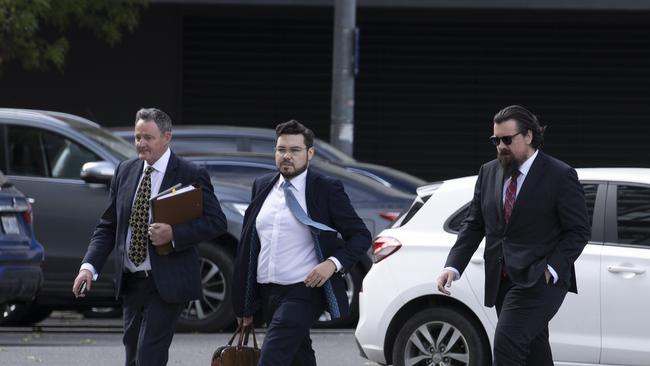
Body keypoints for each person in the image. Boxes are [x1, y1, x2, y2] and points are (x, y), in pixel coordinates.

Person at [436, 105, 590, 366]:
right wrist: (453, 265)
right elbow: (474, 224)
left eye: (507, 139)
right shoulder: (488, 172)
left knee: (507, 343)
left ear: (528, 136)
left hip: (540, 279)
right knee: (533, 352)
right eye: (496, 140)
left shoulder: (559, 174)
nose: (500, 146)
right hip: (502, 279)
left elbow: (578, 231)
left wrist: (552, 268)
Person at [72, 108, 227, 366]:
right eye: (137, 137)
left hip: (166, 281)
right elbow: (108, 226)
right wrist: (88, 267)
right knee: (132, 356)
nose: (141, 144)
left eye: (148, 138)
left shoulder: (190, 173)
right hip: (132, 282)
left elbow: (216, 222)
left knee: (148, 355)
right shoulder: (125, 171)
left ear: (167, 137)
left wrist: (174, 234)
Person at [232, 120, 371, 365]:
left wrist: (332, 264)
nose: (287, 156)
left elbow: (360, 236)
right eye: (281, 149)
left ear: (310, 153)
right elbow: (248, 247)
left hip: (304, 290)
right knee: (299, 358)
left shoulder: (325, 189)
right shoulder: (262, 185)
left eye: (294, 150)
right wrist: (244, 306)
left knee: (272, 357)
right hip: (267, 291)